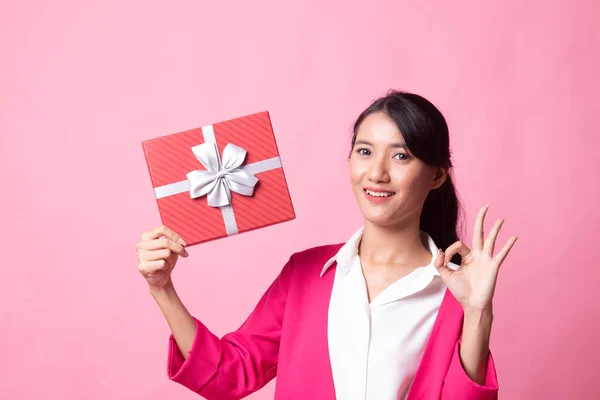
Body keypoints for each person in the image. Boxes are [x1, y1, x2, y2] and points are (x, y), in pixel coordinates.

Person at [136, 90, 518, 400]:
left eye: (401, 155)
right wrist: (163, 288)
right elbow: (229, 375)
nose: (377, 173)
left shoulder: (456, 291)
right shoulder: (304, 275)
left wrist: (478, 312)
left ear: (436, 175)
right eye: (365, 151)